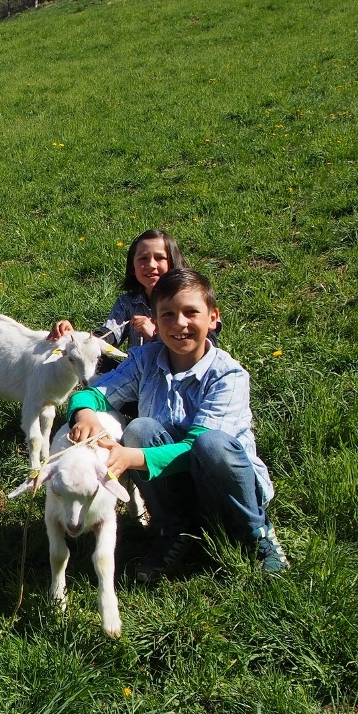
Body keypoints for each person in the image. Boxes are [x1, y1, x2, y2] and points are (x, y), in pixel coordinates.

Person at [66, 268, 289, 582]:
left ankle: (254, 531)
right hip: (175, 488)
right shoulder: (145, 359)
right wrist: (85, 414)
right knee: (139, 429)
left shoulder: (228, 374)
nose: (180, 323)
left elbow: (195, 447)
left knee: (211, 443)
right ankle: (175, 530)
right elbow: (92, 394)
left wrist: (132, 457)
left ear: (213, 318)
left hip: (223, 490)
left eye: (191, 312)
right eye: (168, 314)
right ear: (155, 323)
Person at [50, 229, 188, 352]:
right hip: (137, 370)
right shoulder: (128, 303)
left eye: (160, 258)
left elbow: (191, 348)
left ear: (172, 262)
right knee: (97, 361)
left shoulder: (187, 301)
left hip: (177, 371)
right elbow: (106, 336)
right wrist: (76, 338)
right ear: (133, 266)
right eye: (143, 258)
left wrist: (155, 335)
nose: (151, 265)